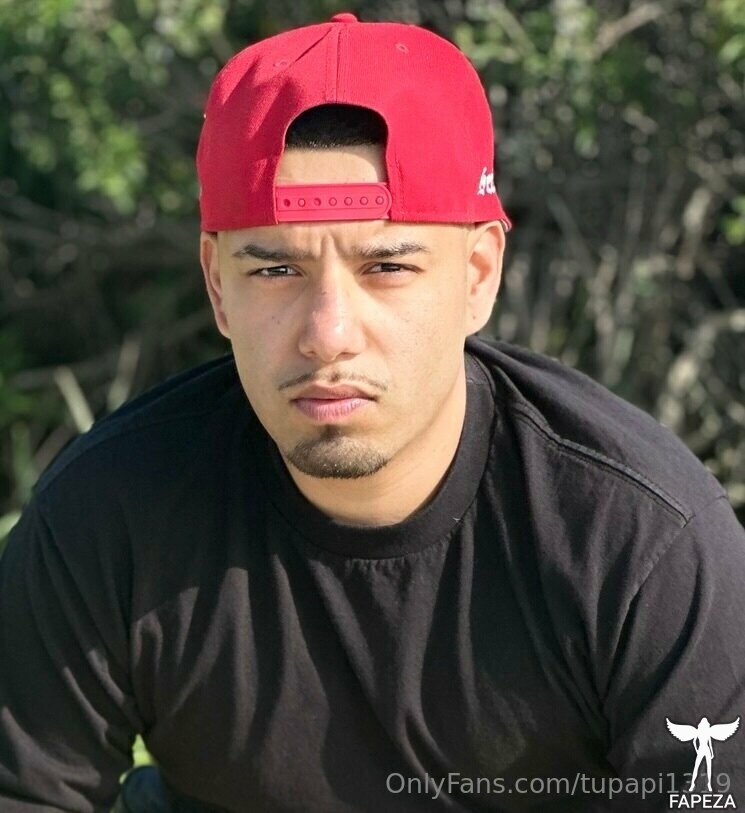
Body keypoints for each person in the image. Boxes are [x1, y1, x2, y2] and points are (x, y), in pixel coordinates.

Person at [0, 10, 743, 813]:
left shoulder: (640, 543)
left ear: (477, 275)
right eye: (275, 270)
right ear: (217, 285)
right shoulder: (109, 511)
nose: (328, 334)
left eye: (386, 266)